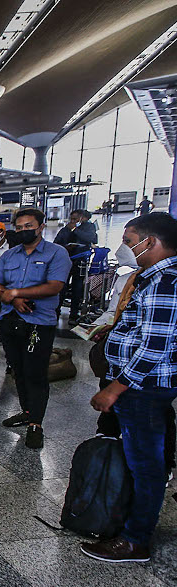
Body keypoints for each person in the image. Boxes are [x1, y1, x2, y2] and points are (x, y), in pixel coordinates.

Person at [82, 212, 177, 563]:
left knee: (146, 465)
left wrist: (115, 388)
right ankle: (131, 527)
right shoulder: (153, 279)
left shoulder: (165, 281)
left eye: (129, 239)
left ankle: (135, 540)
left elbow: (155, 347)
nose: (124, 246)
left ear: (150, 241)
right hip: (141, 386)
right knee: (144, 461)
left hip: (142, 389)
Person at [0, 207, 72, 450]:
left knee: (35, 373)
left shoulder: (57, 253)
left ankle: (36, 424)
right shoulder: (10, 255)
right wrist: (12, 298)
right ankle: (27, 411)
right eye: (20, 227)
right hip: (9, 319)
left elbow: (54, 286)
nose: (24, 230)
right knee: (19, 371)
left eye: (29, 227)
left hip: (39, 322)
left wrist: (17, 292)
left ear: (40, 227)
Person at [54, 208, 99, 326]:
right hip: (66, 261)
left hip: (80, 261)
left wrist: (75, 229)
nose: (72, 221)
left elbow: (90, 238)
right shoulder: (65, 229)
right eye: (71, 219)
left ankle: (74, 314)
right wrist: (65, 247)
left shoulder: (88, 228)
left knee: (77, 288)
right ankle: (56, 312)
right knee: (61, 287)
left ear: (82, 218)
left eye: (76, 219)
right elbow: (56, 242)